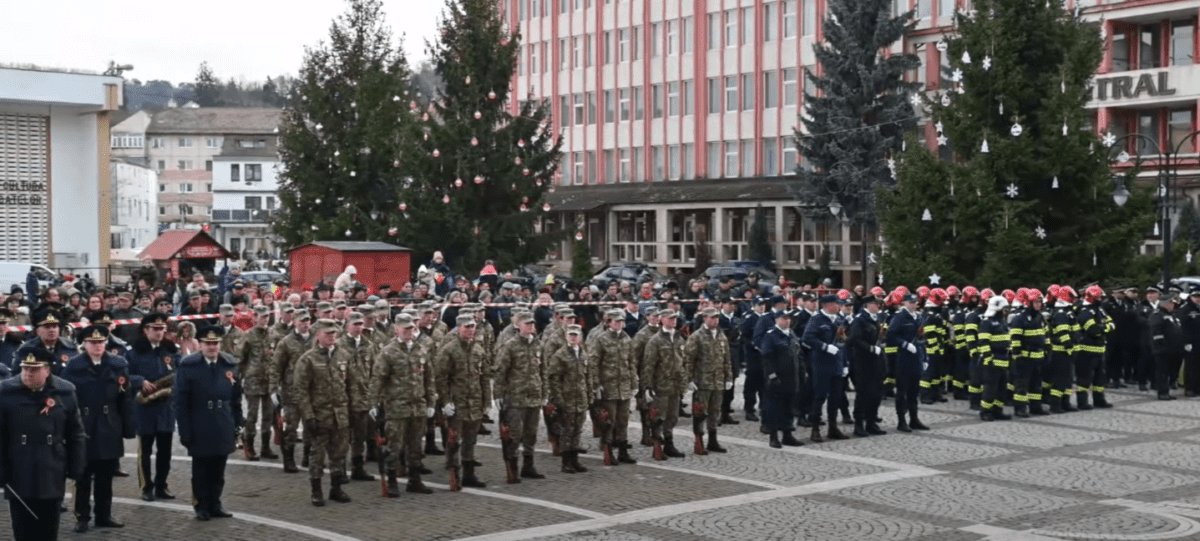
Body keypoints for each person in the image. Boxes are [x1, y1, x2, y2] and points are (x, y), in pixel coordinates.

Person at [0, 348, 86, 541]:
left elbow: (76, 433)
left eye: (35, 369)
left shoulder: (64, 392)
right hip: (19, 467)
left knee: (49, 525)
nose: (29, 373)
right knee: (22, 526)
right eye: (25, 368)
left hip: (52, 465)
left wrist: (76, 467)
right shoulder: (6, 392)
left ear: (47, 370)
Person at [60, 325, 134, 532]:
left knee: (106, 477)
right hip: (83, 425)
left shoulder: (118, 364)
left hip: (109, 424)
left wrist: (128, 428)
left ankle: (104, 515)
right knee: (82, 476)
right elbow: (65, 400)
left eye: (101, 342)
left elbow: (125, 398)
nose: (97, 346)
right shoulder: (74, 366)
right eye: (93, 342)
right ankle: (82, 516)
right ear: (84, 344)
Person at [174, 325, 243, 520]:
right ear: (200, 345)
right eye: (208, 343)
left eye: (215, 343)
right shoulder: (189, 365)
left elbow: (236, 398)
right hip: (200, 421)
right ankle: (201, 505)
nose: (212, 347)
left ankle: (215, 503)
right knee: (201, 469)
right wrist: (184, 430)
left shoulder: (228, 364)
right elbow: (181, 402)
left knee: (219, 468)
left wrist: (238, 423)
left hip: (223, 421)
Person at [369, 313, 435, 497]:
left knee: (416, 445)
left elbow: (428, 378)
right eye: (405, 328)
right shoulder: (388, 352)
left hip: (417, 406)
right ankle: (392, 481)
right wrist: (373, 403)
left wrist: (431, 401)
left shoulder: (421, 350)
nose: (409, 331)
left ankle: (414, 480)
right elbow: (378, 379)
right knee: (394, 446)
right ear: (396, 329)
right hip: (396, 407)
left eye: (412, 328)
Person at [293, 319, 355, 506]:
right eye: (327, 333)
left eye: (334, 333)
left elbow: (351, 385)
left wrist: (353, 409)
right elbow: (301, 391)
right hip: (319, 415)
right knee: (317, 455)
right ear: (317, 334)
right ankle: (316, 490)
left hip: (340, 415)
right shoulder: (308, 359)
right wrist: (308, 416)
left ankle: (336, 489)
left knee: (339, 454)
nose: (332, 336)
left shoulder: (343, 355)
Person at [125, 313, 180, 501]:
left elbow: (180, 373)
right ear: (145, 330)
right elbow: (125, 375)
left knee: (165, 451)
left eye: (162, 329)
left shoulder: (171, 351)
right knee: (145, 451)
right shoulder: (133, 352)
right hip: (145, 407)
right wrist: (140, 381)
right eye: (155, 329)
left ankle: (161, 485)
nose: (159, 332)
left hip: (166, 407)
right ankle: (146, 486)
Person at [436, 313, 491, 490]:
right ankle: (454, 473)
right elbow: (441, 378)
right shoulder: (449, 349)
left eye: (472, 327)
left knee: (470, 440)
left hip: (474, 402)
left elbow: (484, 377)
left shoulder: (478, 349)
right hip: (457, 402)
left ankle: (469, 474)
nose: (470, 330)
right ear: (458, 328)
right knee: (453, 439)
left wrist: (486, 402)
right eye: (466, 327)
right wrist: (445, 401)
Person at [495, 311, 550, 481]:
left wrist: (544, 392)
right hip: (515, 397)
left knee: (531, 434)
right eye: (527, 324)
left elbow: (543, 371)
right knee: (514, 434)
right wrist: (498, 394)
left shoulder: (538, 345)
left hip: (533, 396)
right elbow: (500, 371)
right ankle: (512, 468)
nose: (531, 327)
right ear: (518, 326)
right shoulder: (510, 345)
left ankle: (528, 465)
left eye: (532, 324)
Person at [587, 310, 637, 466]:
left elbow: (631, 362)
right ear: (608, 323)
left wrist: (634, 383)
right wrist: (596, 385)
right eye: (615, 321)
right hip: (608, 387)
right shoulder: (601, 340)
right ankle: (608, 451)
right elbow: (593, 364)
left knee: (623, 421)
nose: (619, 324)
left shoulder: (626, 339)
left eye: (621, 321)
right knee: (609, 422)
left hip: (624, 387)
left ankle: (623, 451)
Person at [683, 308, 732, 454]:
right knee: (699, 413)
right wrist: (689, 379)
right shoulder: (697, 336)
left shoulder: (721, 336)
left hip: (717, 382)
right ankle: (698, 441)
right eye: (711, 318)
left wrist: (728, 377)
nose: (715, 321)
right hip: (702, 383)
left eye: (716, 318)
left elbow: (726, 359)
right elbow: (688, 360)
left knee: (714, 412)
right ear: (704, 319)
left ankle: (713, 440)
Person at [271, 310, 314, 473]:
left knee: (311, 427)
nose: (305, 324)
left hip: (311, 392)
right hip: (291, 392)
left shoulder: (316, 340)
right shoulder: (286, 342)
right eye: (302, 321)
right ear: (295, 322)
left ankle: (308, 458)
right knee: (291, 428)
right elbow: (276, 367)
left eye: (308, 321)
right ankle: (288, 460)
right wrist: (274, 389)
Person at [802, 295, 849, 442]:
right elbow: (807, 338)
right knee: (819, 397)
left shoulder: (840, 320)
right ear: (828, 305)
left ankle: (832, 428)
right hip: (821, 364)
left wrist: (845, 363)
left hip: (836, 364)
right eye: (837, 304)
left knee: (835, 398)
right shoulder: (817, 319)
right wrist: (825, 347)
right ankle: (815, 429)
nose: (839, 306)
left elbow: (843, 342)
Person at [641, 309, 687, 459]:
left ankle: (669, 444)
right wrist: (647, 387)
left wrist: (684, 381)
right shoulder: (655, 340)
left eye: (674, 318)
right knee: (658, 417)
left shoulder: (679, 338)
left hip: (675, 385)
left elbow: (683, 362)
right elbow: (648, 365)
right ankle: (656, 446)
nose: (673, 321)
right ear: (662, 320)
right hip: (660, 385)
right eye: (669, 319)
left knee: (672, 417)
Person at [545, 324, 591, 474]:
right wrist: (558, 399)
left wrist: (589, 396)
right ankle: (566, 462)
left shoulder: (584, 354)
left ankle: (575, 460)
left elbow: (588, 377)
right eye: (570, 335)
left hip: (580, 398)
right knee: (566, 431)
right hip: (566, 398)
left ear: (580, 338)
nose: (573, 338)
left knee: (577, 431)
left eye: (575, 335)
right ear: (566, 337)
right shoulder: (560, 355)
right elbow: (554, 379)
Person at [338, 311, 375, 482]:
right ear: (347, 327)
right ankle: (339, 469)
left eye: (361, 324)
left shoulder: (368, 345)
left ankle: (357, 467)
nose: (359, 328)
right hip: (343, 398)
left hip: (362, 398)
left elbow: (375, 371)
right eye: (355, 325)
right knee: (343, 436)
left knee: (360, 436)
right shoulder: (339, 345)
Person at [759, 310, 805, 448]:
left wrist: (802, 372)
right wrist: (772, 376)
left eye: (789, 318)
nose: (787, 321)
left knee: (789, 407)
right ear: (777, 320)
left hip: (792, 378)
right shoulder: (771, 336)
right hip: (778, 379)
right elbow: (767, 358)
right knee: (775, 408)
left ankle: (787, 434)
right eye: (784, 318)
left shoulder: (791, 334)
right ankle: (773, 436)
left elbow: (798, 354)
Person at [237, 306, 277, 461]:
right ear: (255, 318)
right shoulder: (248, 336)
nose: (265, 319)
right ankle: (250, 446)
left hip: (269, 381)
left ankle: (266, 447)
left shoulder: (273, 334)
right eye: (261, 316)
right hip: (253, 380)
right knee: (252, 416)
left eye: (267, 316)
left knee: (268, 415)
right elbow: (240, 358)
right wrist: (239, 379)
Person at [886, 293, 930, 432]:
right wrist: (904, 344)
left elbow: (922, 338)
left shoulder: (919, 317)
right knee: (902, 391)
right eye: (910, 302)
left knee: (914, 391)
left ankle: (914, 418)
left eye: (915, 302)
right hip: (904, 357)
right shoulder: (899, 317)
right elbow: (891, 335)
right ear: (904, 303)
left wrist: (925, 358)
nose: (913, 304)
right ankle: (901, 420)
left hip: (917, 356)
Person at [847, 295, 886, 436]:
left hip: (876, 361)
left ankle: (871, 422)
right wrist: (870, 348)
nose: (878, 306)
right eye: (876, 304)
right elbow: (854, 339)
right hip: (863, 362)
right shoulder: (860, 320)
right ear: (868, 305)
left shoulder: (877, 318)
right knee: (863, 394)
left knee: (876, 394)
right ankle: (859, 425)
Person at [978, 296, 1014, 422]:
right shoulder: (987, 322)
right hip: (993, 360)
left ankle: (998, 411)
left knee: (1002, 388)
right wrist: (988, 357)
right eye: (1004, 308)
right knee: (990, 388)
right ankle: (986, 412)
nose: (1006, 311)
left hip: (1004, 359)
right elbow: (983, 341)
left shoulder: (1002, 321)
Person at [1149, 291, 1183, 401]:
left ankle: (1166, 391)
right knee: (1162, 372)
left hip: (1172, 349)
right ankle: (1162, 392)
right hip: (1162, 349)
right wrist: (1161, 346)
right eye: (1171, 303)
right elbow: (1156, 332)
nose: (1173, 305)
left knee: (1168, 371)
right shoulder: (1158, 314)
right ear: (1165, 303)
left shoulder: (1171, 315)